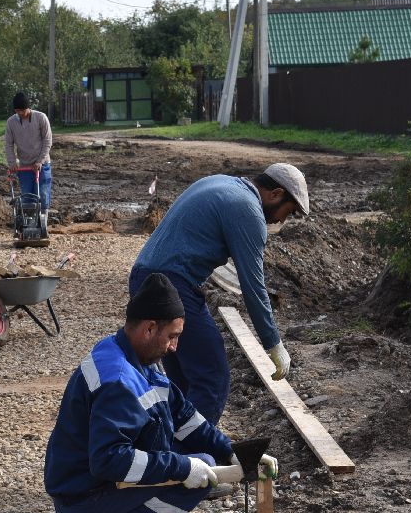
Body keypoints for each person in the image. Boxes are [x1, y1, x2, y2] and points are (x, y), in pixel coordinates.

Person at [44, 273, 236, 513]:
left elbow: (185, 417)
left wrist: (233, 451)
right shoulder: (118, 381)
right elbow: (109, 460)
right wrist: (182, 467)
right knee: (195, 478)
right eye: (172, 336)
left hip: (90, 485)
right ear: (149, 328)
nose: (174, 347)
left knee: (205, 460)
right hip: (82, 497)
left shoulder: (131, 356)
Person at [129, 164, 310, 424]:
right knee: (212, 378)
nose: (282, 221)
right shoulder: (248, 211)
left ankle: (170, 443)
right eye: (288, 211)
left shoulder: (221, 183)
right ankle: (193, 447)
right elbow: (253, 286)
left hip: (142, 277)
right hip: (171, 286)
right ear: (276, 193)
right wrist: (274, 344)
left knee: (183, 381)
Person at [4, 91, 53, 214]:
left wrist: (40, 161)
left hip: (42, 164)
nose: (20, 113)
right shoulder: (11, 122)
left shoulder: (41, 118)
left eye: (22, 111)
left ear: (28, 108)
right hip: (24, 165)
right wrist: (12, 162)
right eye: (17, 111)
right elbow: (9, 144)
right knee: (27, 196)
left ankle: (43, 217)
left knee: (42, 194)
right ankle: (28, 219)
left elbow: (47, 140)